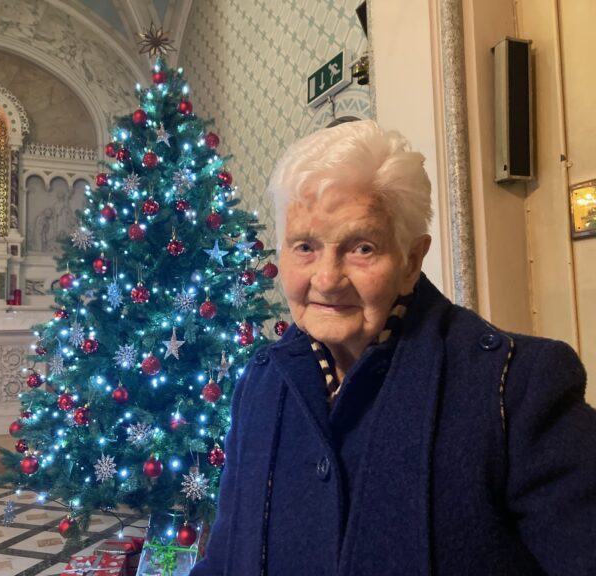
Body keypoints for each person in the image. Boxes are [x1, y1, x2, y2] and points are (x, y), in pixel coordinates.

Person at [191, 120, 596, 575]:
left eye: (362, 248)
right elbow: (224, 560)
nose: (326, 278)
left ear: (411, 261)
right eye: (304, 246)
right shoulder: (260, 384)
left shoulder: (518, 388)